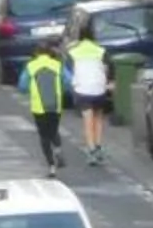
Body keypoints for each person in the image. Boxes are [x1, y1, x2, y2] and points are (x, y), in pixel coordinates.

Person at [66, 28, 113, 164]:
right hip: (99, 89)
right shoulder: (101, 50)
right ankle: (98, 146)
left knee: (88, 119)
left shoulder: (73, 52)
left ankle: (91, 149)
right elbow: (108, 68)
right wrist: (108, 82)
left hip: (83, 89)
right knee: (98, 117)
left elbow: (69, 71)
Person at [20, 38, 66, 170]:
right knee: (53, 130)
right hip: (55, 106)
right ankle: (58, 149)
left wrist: (32, 89)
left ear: (36, 52)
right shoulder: (57, 65)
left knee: (44, 135)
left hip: (38, 107)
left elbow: (22, 86)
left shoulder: (31, 66)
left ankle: (51, 165)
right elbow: (67, 82)